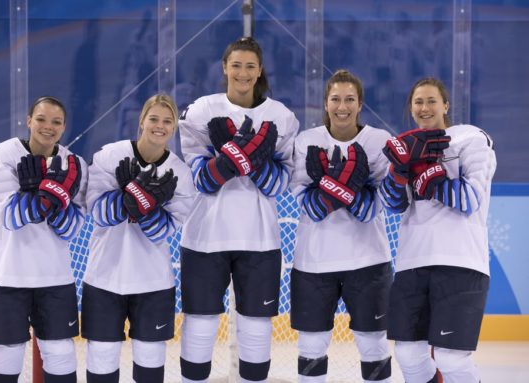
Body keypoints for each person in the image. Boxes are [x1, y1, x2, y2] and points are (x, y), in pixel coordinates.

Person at [178, 37, 299, 382]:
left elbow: (279, 185)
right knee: (200, 325)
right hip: (205, 237)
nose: (242, 72)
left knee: (256, 328)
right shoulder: (202, 110)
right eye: (236, 65)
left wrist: (239, 156)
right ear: (224, 67)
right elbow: (203, 179)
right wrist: (246, 154)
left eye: (250, 66)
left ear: (259, 70)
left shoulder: (281, 117)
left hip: (259, 239)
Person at [380, 77, 496, 383]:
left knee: (452, 359)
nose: (425, 107)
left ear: (445, 105)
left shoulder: (471, 138)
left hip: (460, 261)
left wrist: (427, 173)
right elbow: (393, 205)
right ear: (411, 108)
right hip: (412, 261)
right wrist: (398, 172)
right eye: (418, 102)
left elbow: (470, 200)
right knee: (408, 355)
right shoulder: (407, 147)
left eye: (432, 100)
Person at [81, 94, 196, 383]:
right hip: (104, 278)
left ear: (174, 128)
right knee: (102, 359)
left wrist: (141, 205)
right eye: (154, 119)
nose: (160, 126)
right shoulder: (111, 155)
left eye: (168, 121)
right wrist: (130, 198)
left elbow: (164, 230)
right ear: (142, 121)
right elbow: (97, 211)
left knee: (150, 363)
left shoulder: (180, 173)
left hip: (153, 282)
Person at [290, 69, 394, 382]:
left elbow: (372, 208)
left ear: (360, 103)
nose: (342, 106)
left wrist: (328, 184)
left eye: (350, 99)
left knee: (373, 345)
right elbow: (310, 206)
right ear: (325, 103)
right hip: (313, 262)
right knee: (311, 345)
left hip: (369, 261)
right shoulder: (307, 141)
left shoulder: (379, 141)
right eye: (335, 99)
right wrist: (348, 187)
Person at [0, 96, 88, 382]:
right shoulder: (2, 153)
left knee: (61, 352)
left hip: (54, 277)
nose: (47, 126)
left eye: (56, 122)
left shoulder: (75, 164)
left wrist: (38, 193)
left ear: (64, 127)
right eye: (41, 119)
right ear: (28, 121)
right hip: (3, 275)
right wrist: (52, 194)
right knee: (6, 353)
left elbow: (71, 228)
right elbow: (11, 217)